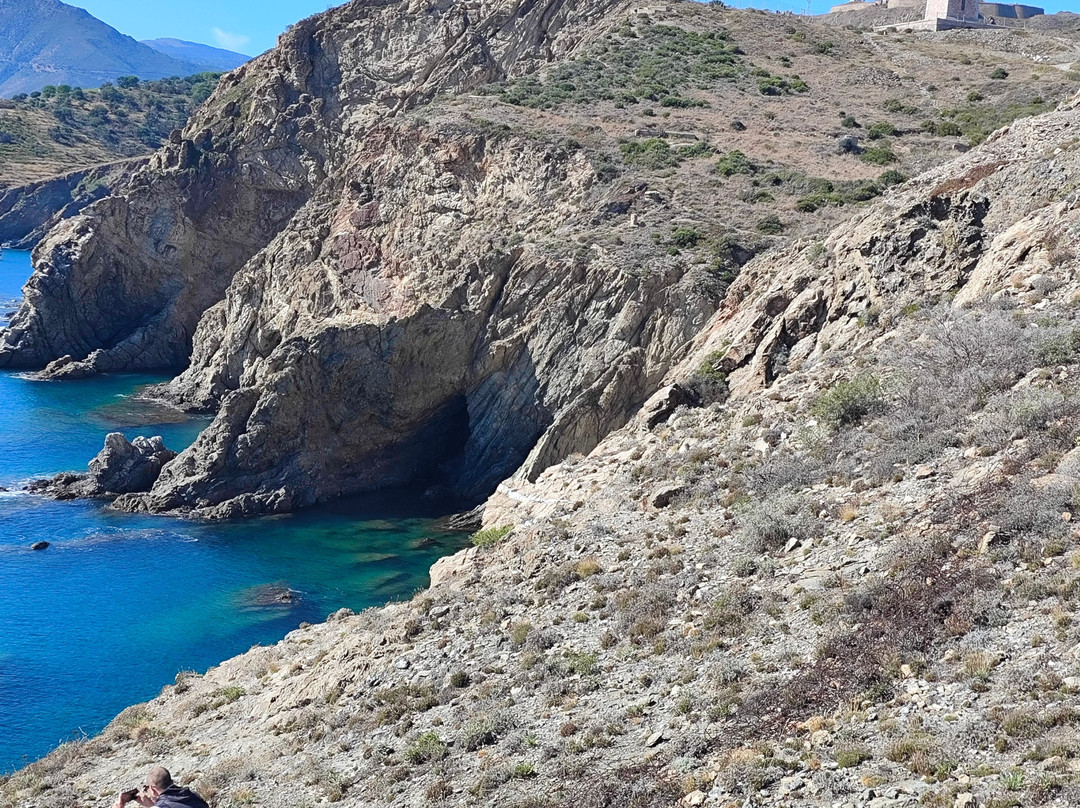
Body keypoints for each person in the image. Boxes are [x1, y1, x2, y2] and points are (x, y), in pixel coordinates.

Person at [114, 766, 209, 808]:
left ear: (153, 789)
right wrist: (151, 805)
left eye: (146, 788)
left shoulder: (164, 805)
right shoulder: (193, 795)